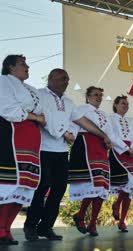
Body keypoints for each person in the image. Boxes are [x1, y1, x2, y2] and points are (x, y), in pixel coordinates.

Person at [25, 70, 111, 241]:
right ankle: (30, 226)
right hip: (43, 148)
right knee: (42, 187)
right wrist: (63, 132)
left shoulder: (68, 102)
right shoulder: (39, 95)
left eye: (67, 79)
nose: (66, 81)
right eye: (62, 78)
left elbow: (84, 122)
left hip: (62, 152)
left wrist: (103, 135)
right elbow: (39, 117)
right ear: (50, 78)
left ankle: (46, 227)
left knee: (58, 189)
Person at [0, 55, 45, 245]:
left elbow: (44, 114)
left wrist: (36, 118)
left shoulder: (32, 89)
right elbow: (7, 109)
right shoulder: (3, 81)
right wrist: (34, 117)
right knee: (10, 183)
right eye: (22, 64)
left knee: (25, 186)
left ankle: (7, 228)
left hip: (31, 141)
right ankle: (1, 229)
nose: (27, 66)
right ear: (10, 67)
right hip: (11, 137)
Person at [69, 86, 115, 236]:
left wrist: (111, 142)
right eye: (95, 94)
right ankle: (81, 215)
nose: (99, 97)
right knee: (92, 184)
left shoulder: (105, 114)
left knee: (102, 186)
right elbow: (75, 127)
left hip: (101, 148)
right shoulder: (81, 109)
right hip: (86, 146)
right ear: (88, 96)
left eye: (101, 95)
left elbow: (110, 133)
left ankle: (93, 222)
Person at [109, 96, 133, 232]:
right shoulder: (110, 119)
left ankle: (122, 218)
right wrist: (126, 148)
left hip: (131, 153)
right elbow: (111, 135)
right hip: (118, 151)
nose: (125, 105)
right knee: (126, 182)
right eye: (122, 103)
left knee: (131, 183)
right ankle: (118, 211)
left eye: (127, 104)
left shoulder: (131, 121)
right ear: (115, 105)